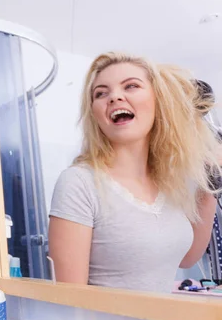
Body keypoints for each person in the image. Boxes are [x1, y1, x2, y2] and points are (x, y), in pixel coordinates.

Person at [48, 52, 221, 294]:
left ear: (158, 101)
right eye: (100, 93)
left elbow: (187, 258)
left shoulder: (170, 182)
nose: (115, 96)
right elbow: (70, 300)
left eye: (131, 86)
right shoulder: (79, 183)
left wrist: (211, 184)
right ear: (95, 115)